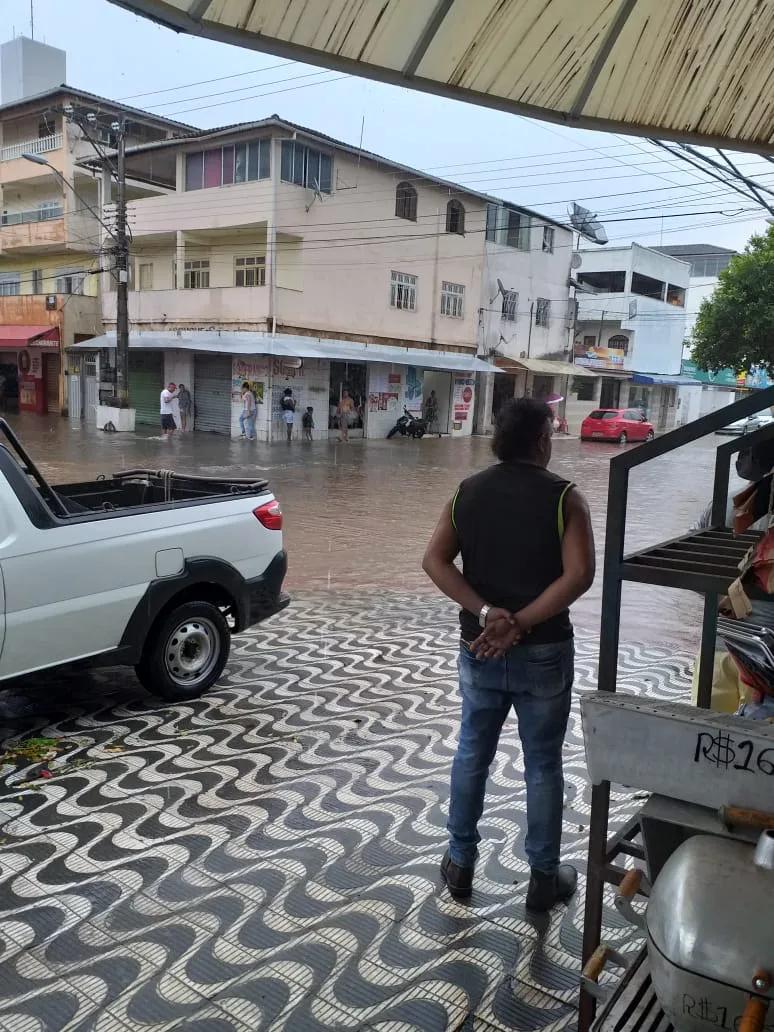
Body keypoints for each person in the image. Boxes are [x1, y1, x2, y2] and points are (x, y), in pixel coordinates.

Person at [422, 398, 595, 911]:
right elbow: (579, 576)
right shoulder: (566, 498)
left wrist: (486, 613)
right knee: (543, 763)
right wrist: (519, 622)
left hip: (479, 649)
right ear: (541, 441)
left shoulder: (467, 493)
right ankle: (543, 877)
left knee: (473, 751)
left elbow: (433, 560)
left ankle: (459, 865)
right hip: (543, 652)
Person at [690, 440, 774, 713]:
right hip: (764, 662)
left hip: (718, 646)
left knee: (707, 738)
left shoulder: (724, 506)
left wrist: (732, 599)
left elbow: (694, 569)